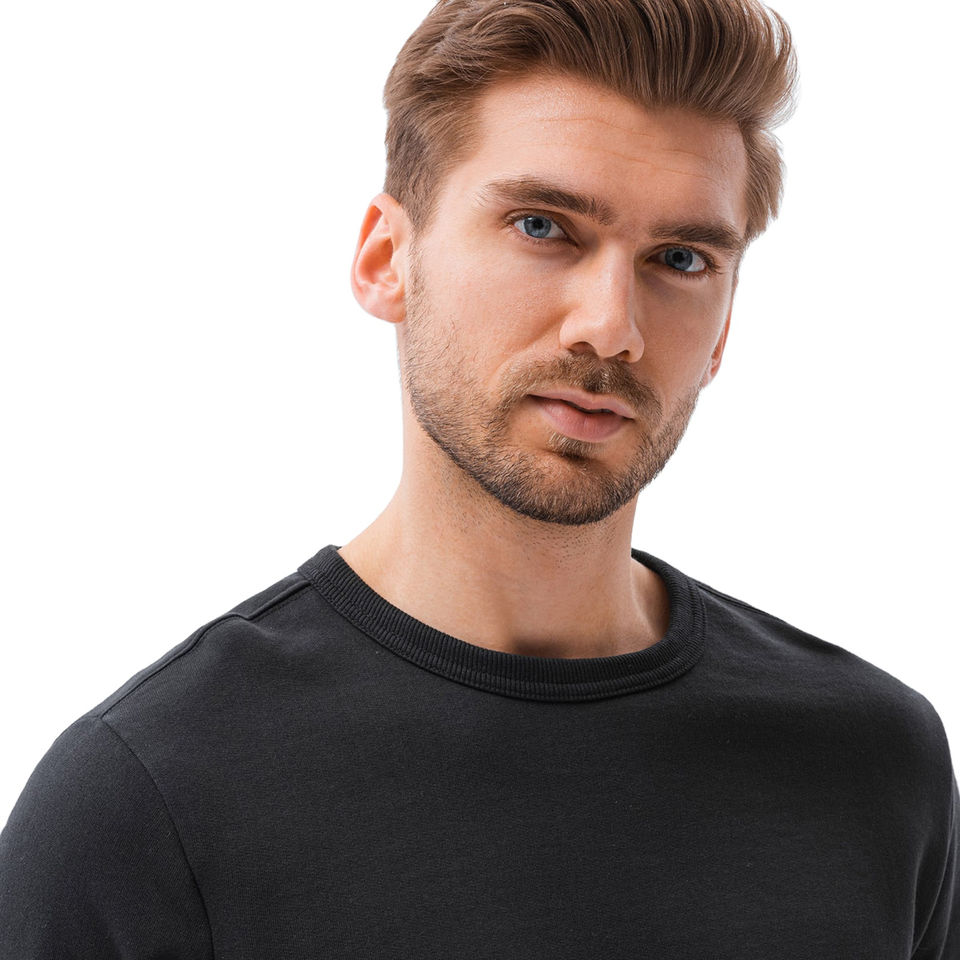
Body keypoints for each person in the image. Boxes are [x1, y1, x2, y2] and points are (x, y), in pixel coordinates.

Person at [1, 0, 957, 955]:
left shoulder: (875, 765)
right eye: (543, 226)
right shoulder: (148, 802)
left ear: (725, 328)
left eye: (679, 258)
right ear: (388, 260)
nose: (611, 327)